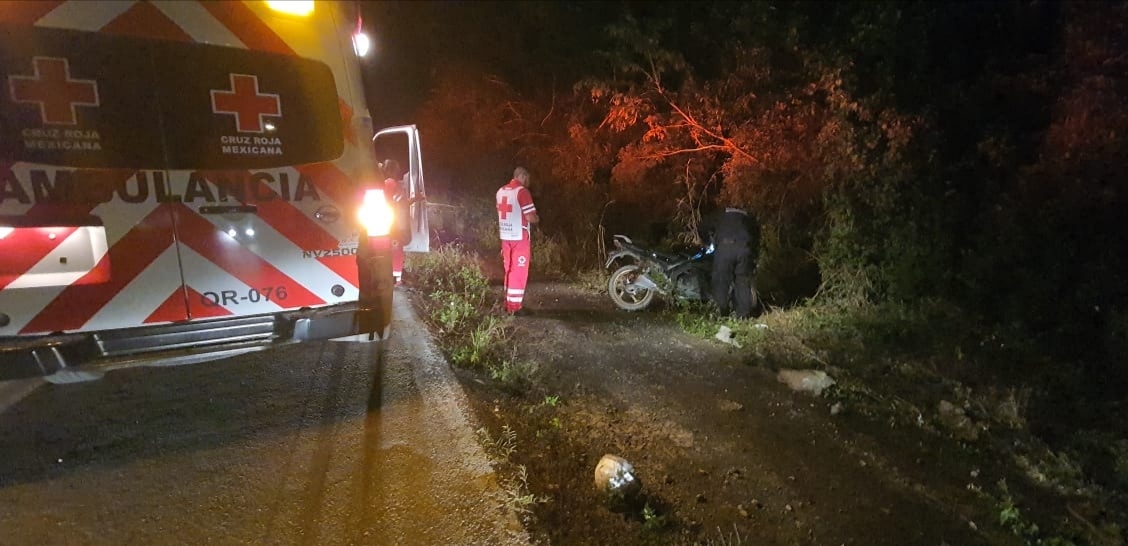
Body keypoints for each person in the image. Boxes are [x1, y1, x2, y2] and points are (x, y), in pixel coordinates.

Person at [699, 205, 760, 318]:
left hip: (725, 248)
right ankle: (743, 315)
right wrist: (754, 255)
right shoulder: (748, 217)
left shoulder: (719, 214)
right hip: (744, 250)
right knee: (743, 281)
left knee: (721, 281)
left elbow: (702, 226)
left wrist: (707, 242)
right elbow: (756, 236)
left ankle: (722, 312)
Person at [496, 166, 539, 315]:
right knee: (518, 272)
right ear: (522, 176)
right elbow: (530, 217)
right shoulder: (522, 192)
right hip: (519, 237)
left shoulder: (501, 191)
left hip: (505, 235)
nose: (528, 182)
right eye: (527, 178)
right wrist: (537, 219)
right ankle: (514, 307)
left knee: (508, 270)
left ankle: (507, 302)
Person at [380, 159, 423, 285]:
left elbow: (401, 202)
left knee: (396, 249)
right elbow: (388, 202)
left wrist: (415, 199)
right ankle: (395, 279)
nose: (398, 172)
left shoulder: (392, 184)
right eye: (396, 169)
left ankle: (395, 278)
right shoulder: (390, 183)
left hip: (395, 222)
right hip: (393, 223)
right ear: (391, 170)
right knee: (396, 250)